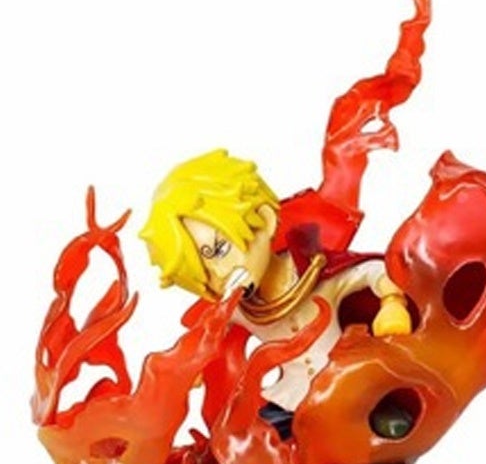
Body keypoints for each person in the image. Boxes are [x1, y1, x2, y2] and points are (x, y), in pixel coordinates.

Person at [140, 149, 413, 436]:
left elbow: (371, 271)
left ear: (265, 220)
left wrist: (392, 302)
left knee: (392, 427)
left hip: (347, 382)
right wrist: (191, 368)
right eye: (203, 275)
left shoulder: (316, 273)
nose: (220, 273)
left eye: (219, 250)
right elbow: (208, 335)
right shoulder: (241, 310)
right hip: (293, 399)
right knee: (246, 445)